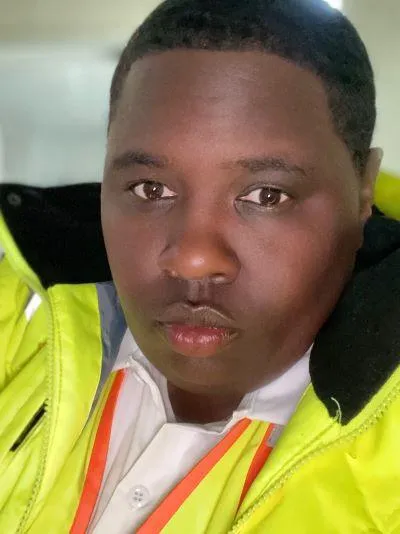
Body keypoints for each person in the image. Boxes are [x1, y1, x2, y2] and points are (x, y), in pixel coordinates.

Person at [0, 0, 399, 532]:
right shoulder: (16, 305)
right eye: (151, 189)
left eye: (266, 195)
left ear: (363, 187)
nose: (193, 259)